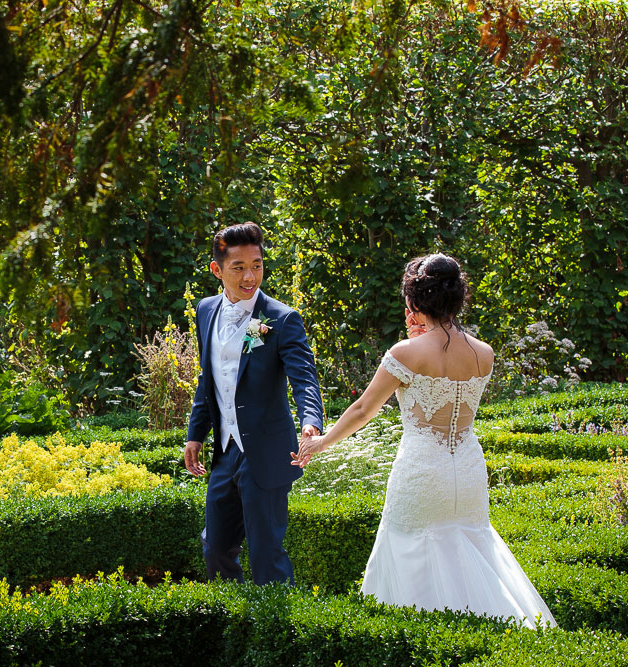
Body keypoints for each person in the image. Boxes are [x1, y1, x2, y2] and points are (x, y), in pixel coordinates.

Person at [292, 253, 556, 628]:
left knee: (410, 550)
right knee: (472, 549)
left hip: (421, 472)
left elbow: (363, 409)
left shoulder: (405, 353)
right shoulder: (484, 353)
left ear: (416, 302)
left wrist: (322, 442)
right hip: (467, 469)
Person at [184, 222, 324, 585]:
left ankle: (277, 636)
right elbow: (209, 377)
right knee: (215, 548)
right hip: (226, 451)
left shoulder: (281, 318)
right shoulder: (205, 310)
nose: (250, 276)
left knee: (266, 557)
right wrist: (195, 434)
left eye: (257, 265)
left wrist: (311, 421)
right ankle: (233, 624)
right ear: (217, 270)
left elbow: (304, 377)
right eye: (239, 267)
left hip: (265, 451)